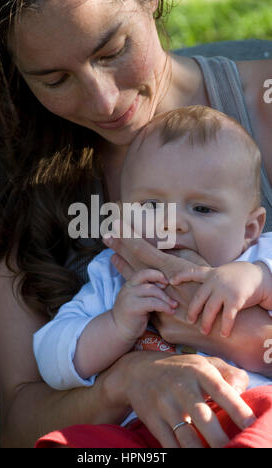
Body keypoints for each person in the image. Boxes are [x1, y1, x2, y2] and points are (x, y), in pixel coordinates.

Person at [0, 0, 271, 448]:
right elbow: (20, 426)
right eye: (54, 79)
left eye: (112, 51)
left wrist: (221, 327)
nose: (104, 101)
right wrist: (123, 380)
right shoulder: (4, 188)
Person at [33, 106, 272, 447]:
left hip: (247, 408)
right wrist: (114, 326)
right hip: (152, 428)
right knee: (79, 441)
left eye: (202, 208)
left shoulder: (260, 257)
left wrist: (259, 279)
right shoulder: (113, 274)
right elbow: (50, 357)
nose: (170, 223)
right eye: (150, 206)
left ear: (250, 228)